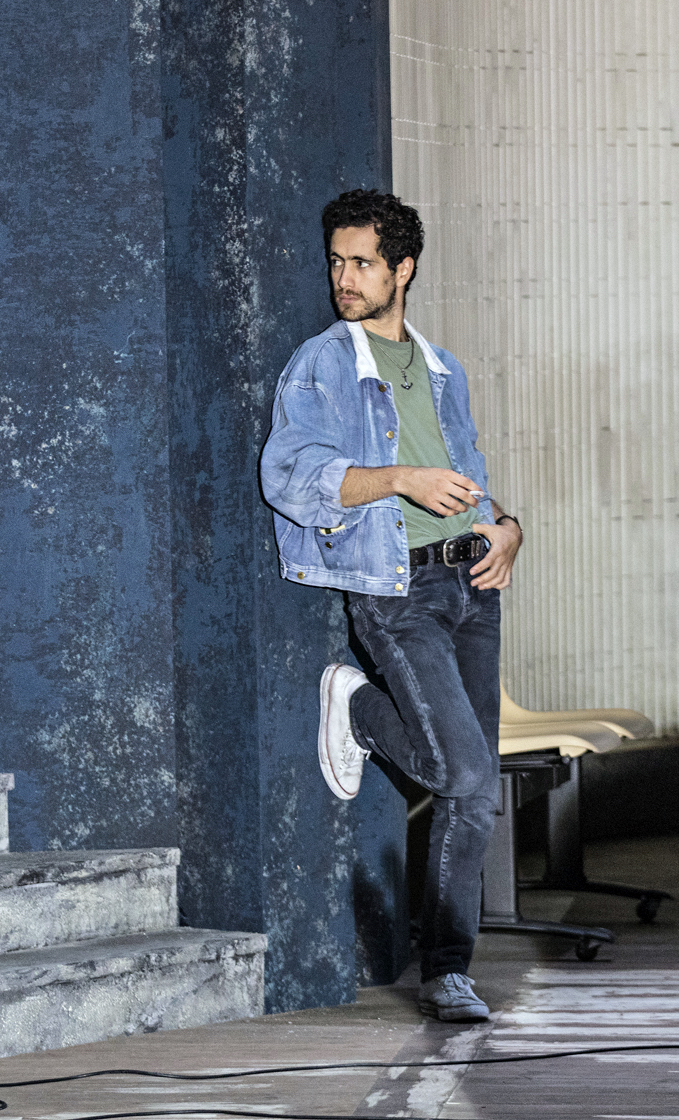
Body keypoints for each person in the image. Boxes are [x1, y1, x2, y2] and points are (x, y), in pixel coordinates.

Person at [260, 188, 523, 1021]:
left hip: (471, 584)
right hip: (396, 587)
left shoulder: (443, 370)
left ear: (402, 269)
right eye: (337, 261)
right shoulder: (321, 363)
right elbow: (291, 476)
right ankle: (358, 705)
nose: (345, 277)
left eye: (363, 262)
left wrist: (509, 529)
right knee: (466, 771)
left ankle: (447, 971)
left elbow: (468, 475)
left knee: (475, 792)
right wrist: (401, 478)